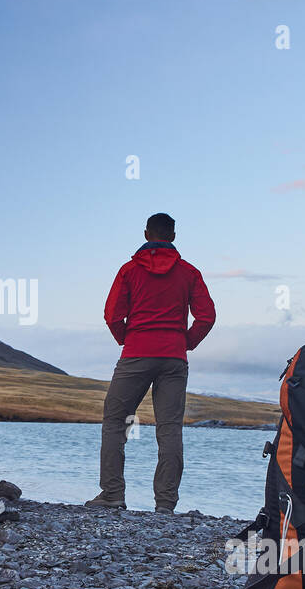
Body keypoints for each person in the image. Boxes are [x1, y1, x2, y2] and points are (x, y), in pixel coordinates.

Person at [86, 212, 216, 514]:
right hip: (173, 357)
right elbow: (206, 316)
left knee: (116, 422)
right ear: (173, 236)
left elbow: (112, 315)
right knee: (169, 428)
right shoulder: (189, 273)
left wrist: (127, 339)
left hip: (136, 353)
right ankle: (165, 504)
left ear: (147, 234)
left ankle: (112, 494)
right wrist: (186, 341)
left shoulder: (129, 270)